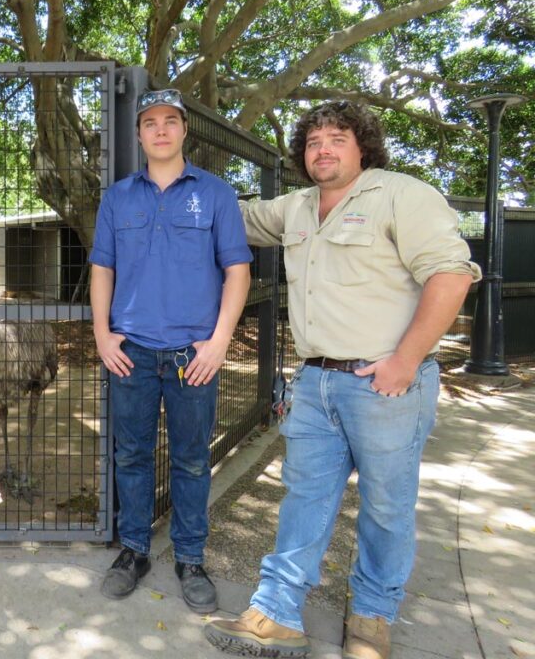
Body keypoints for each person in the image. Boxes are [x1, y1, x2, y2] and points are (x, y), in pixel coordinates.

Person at [204, 101, 480, 659]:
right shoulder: (296, 206)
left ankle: (372, 618)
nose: (322, 150)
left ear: (363, 147)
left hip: (386, 383)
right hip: (314, 383)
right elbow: (231, 216)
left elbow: (451, 275)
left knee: (386, 505)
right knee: (303, 498)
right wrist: (171, 181)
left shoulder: (403, 194)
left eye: (336, 139)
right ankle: (276, 613)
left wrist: (405, 361)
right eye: (312, 142)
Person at [90, 88, 252, 612]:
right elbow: (102, 270)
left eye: (170, 121)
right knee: (131, 456)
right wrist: (102, 333)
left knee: (189, 461)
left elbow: (238, 271)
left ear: (185, 130)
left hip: (193, 357)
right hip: (130, 352)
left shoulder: (217, 195)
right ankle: (134, 550)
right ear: (138, 134)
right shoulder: (117, 197)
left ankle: (190, 558)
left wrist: (220, 342)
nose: (160, 129)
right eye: (150, 122)